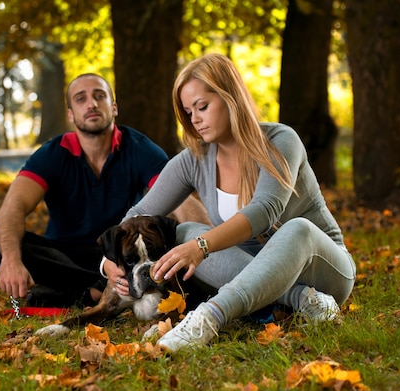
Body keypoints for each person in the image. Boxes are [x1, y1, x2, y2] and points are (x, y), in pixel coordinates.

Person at [110, 53, 356, 352]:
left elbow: (265, 210)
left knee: (297, 229)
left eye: (202, 107)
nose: (195, 119)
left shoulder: (281, 140)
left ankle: (209, 317)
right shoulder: (194, 160)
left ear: (231, 98)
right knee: (185, 231)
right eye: (188, 112)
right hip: (254, 272)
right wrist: (107, 264)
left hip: (321, 267)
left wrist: (201, 246)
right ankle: (300, 299)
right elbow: (137, 214)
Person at [0, 73, 207, 308]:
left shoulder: (141, 149)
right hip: (67, 258)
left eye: (99, 96)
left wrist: (208, 245)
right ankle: (96, 291)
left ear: (114, 107)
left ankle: (76, 294)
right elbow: (13, 206)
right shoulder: (51, 154)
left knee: (175, 236)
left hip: (121, 253)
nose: (91, 104)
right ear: (70, 114)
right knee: (9, 245)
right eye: (80, 99)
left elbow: (179, 200)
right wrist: (11, 260)